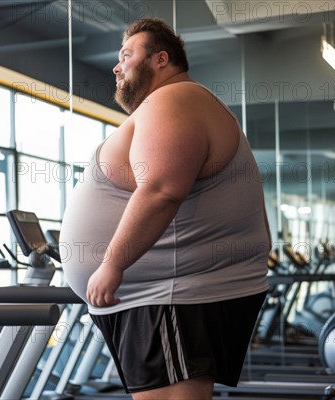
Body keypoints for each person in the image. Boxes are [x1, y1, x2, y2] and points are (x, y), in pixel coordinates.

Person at [60, 18, 270, 400]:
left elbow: (160, 191)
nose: (116, 65)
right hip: (164, 294)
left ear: (160, 59)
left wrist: (112, 265)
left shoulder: (175, 99)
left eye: (127, 54)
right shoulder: (175, 104)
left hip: (171, 294)